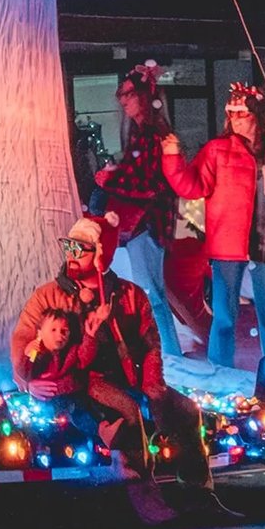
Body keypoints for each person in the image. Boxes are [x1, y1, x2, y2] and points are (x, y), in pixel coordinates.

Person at [10, 215, 217, 495]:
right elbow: (23, 339)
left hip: (127, 376)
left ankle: (197, 488)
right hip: (83, 381)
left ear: (100, 255)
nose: (71, 256)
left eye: (79, 249)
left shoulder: (130, 295)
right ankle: (142, 493)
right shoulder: (48, 297)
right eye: (68, 247)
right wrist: (29, 378)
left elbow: (150, 344)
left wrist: (153, 386)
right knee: (127, 413)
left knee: (187, 411)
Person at [161, 80, 265, 368]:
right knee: (224, 314)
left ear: (256, 115)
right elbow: (191, 187)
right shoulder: (217, 150)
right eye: (231, 113)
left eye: (241, 113)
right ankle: (221, 367)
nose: (235, 119)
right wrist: (172, 158)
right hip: (228, 245)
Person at [92, 60, 187, 356]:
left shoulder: (150, 133)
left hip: (147, 221)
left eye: (129, 93)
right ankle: (167, 352)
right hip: (145, 222)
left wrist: (111, 179)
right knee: (153, 292)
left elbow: (148, 181)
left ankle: (166, 355)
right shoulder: (142, 132)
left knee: (151, 294)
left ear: (145, 95)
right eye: (122, 94)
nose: (124, 100)